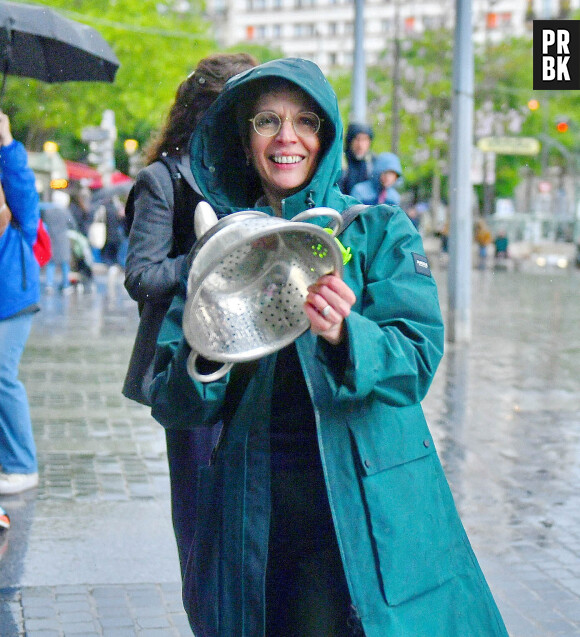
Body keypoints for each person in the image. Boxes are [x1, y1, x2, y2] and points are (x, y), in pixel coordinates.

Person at [149, 58, 509, 636]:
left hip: (371, 500)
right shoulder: (222, 245)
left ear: (327, 137)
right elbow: (173, 399)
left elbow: (416, 356)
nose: (286, 137)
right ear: (245, 141)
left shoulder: (378, 231)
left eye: (305, 121)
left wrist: (347, 335)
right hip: (259, 507)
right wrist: (208, 348)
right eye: (267, 120)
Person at [122, 53, 258, 575]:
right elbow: (142, 276)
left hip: (254, 357)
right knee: (203, 517)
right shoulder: (163, 180)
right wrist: (207, 256)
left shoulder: (251, 172)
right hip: (190, 364)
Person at [0, 111, 40, 495]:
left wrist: (7, 142)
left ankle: (22, 464)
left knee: (1, 374)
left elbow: (23, 187)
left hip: (12, 301)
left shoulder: (18, 221)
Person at [41, 190, 74, 295]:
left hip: (51, 239)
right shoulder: (64, 211)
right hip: (63, 240)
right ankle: (65, 285)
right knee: (65, 263)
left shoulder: (47, 211)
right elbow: (72, 223)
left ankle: (49, 284)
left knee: (51, 263)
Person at [339, 122, 374, 195]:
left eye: (365, 140)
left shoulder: (372, 163)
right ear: (350, 141)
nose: (360, 145)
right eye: (357, 139)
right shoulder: (340, 161)